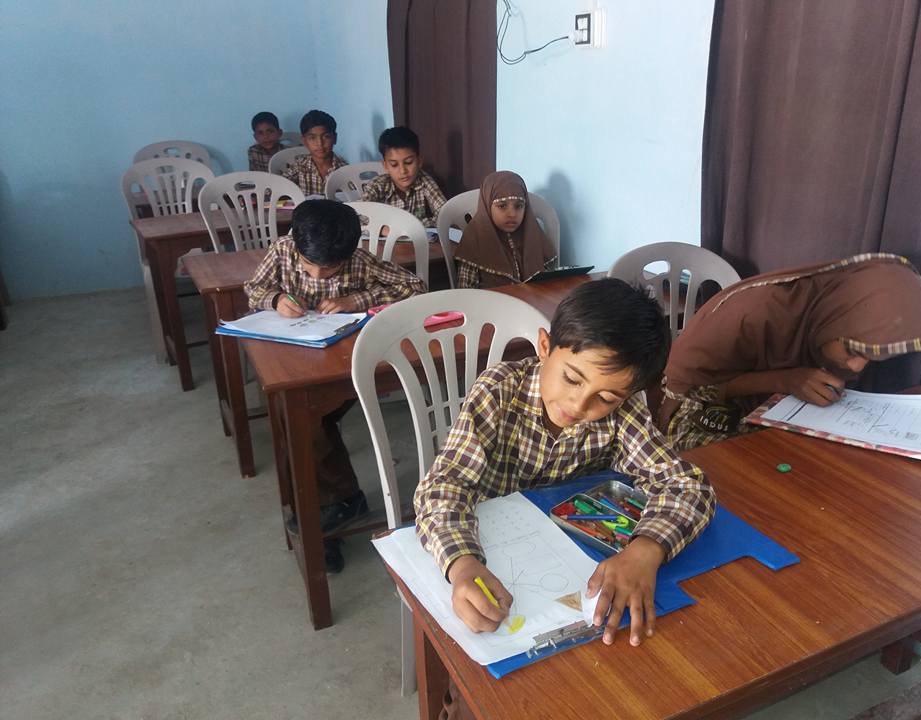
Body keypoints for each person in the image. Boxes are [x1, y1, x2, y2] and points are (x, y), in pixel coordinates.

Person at [415, 278, 715, 649]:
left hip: (572, 563)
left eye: (604, 397)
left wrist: (645, 550)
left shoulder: (623, 412)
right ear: (544, 347)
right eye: (572, 378)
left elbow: (687, 486)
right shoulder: (498, 391)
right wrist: (461, 564)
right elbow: (443, 487)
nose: (579, 405)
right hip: (490, 554)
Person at [244, 200, 427, 571]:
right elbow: (253, 289)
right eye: (310, 265)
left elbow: (414, 285)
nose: (318, 274)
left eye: (329, 269)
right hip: (294, 358)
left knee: (303, 421)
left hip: (345, 361)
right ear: (295, 243)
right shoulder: (281, 251)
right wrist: (277, 299)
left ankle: (327, 511)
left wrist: (353, 299)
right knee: (297, 417)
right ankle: (332, 505)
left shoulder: (358, 259)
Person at [655, 253, 921, 451]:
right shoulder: (754, 314)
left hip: (775, 413)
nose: (858, 367)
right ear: (833, 318)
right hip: (695, 412)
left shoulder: (835, 318)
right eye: (851, 350)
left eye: (872, 358)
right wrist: (786, 380)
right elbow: (689, 391)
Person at [454, 171, 556, 288]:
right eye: (502, 206)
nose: (512, 214)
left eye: (518, 206)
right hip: (489, 303)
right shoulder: (475, 237)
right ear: (487, 205)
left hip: (530, 302)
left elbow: (547, 283)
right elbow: (465, 292)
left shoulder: (531, 233)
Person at [360, 126, 447, 227]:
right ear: (385, 166)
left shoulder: (424, 181)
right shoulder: (378, 185)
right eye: (394, 165)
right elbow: (357, 214)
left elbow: (445, 214)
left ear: (419, 161)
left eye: (408, 162)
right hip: (384, 240)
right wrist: (381, 228)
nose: (403, 171)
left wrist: (414, 225)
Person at [282, 110, 347, 196]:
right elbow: (278, 186)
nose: (320, 143)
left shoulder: (344, 169)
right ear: (304, 141)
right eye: (312, 138)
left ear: (334, 138)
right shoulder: (299, 166)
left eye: (326, 137)